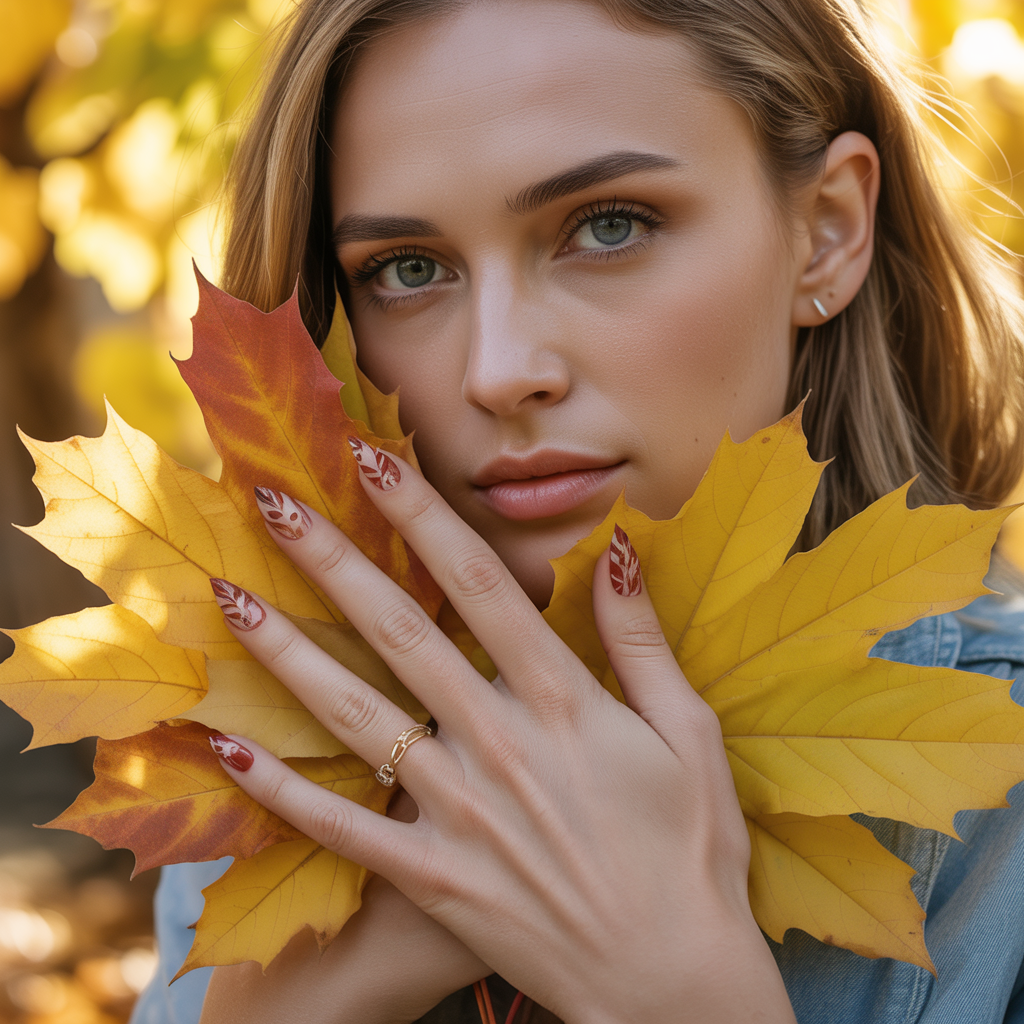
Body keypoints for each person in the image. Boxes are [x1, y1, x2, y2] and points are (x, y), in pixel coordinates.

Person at [127, 0, 1024, 1021]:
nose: (501, 371)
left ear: (826, 230)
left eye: (608, 226)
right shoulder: (285, 771)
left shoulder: (1003, 809)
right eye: (406, 271)